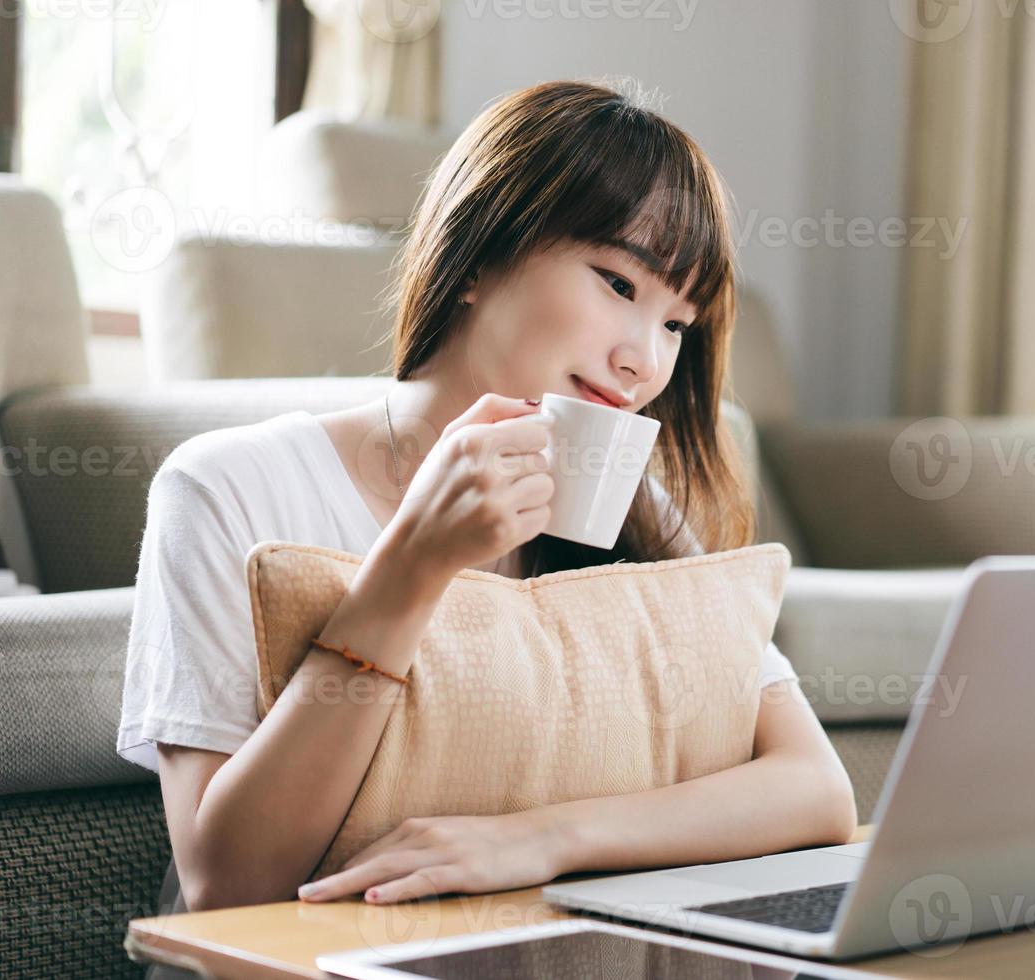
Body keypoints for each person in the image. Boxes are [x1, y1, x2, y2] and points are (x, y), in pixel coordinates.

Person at [116, 79, 858, 940]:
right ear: (475, 259)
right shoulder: (225, 487)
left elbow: (815, 786)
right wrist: (412, 568)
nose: (644, 363)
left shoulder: (629, 505)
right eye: (618, 284)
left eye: (675, 324)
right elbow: (227, 885)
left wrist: (538, 842)